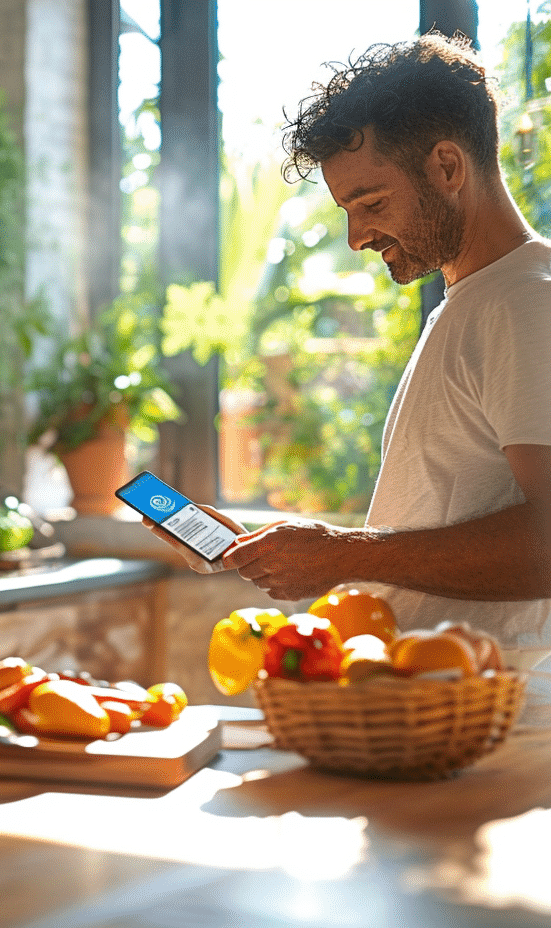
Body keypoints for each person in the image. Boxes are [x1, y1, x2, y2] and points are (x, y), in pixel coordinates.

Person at [160, 32, 551, 715]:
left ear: (448, 166)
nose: (357, 238)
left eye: (371, 204)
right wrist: (295, 551)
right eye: (347, 211)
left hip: (489, 719)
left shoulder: (525, 302)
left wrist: (348, 553)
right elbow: (442, 516)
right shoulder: (474, 302)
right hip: (420, 707)